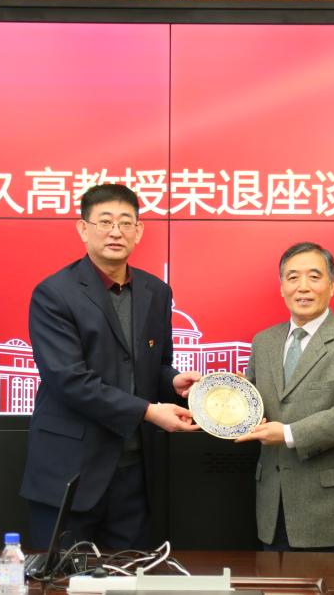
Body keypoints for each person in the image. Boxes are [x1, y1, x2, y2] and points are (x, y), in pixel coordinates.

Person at [20, 183, 200, 550]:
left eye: (125, 222)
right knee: (63, 577)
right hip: (70, 473)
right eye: (104, 221)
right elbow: (69, 380)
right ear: (83, 229)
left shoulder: (156, 292)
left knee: (129, 573)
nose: (116, 232)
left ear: (139, 231)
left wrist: (172, 381)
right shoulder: (54, 293)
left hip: (134, 474)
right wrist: (148, 411)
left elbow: (154, 365)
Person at [236, 241, 334, 550]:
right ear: (282, 288)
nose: (303, 287)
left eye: (314, 277)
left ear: (332, 286)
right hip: (273, 507)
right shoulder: (263, 342)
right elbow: (251, 405)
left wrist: (288, 433)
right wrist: (218, 396)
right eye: (293, 277)